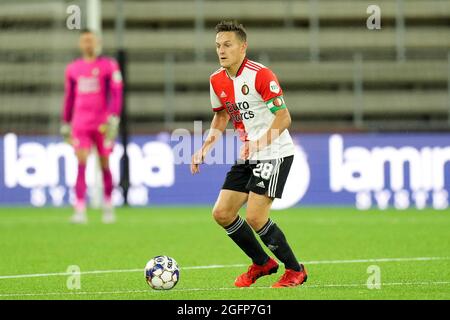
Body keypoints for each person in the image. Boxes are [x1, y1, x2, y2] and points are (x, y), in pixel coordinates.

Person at [191, 21, 308, 288]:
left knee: (256, 216)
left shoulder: (261, 75)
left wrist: (259, 143)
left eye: (228, 44)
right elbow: (221, 116)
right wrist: (205, 148)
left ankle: (294, 270)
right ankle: (262, 263)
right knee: (222, 212)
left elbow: (284, 117)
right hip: (249, 154)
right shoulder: (216, 79)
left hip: (274, 151)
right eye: (218, 45)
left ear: (243, 47)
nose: (221, 50)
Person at [61, 29, 123, 224]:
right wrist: (66, 121)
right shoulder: (72, 68)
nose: (88, 44)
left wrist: (114, 117)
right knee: (81, 163)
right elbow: (69, 97)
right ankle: (79, 208)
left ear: (98, 42)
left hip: (102, 123)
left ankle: (108, 205)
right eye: (84, 40)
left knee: (105, 164)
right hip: (80, 123)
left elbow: (117, 92)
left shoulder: (109, 66)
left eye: (91, 40)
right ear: (80, 44)